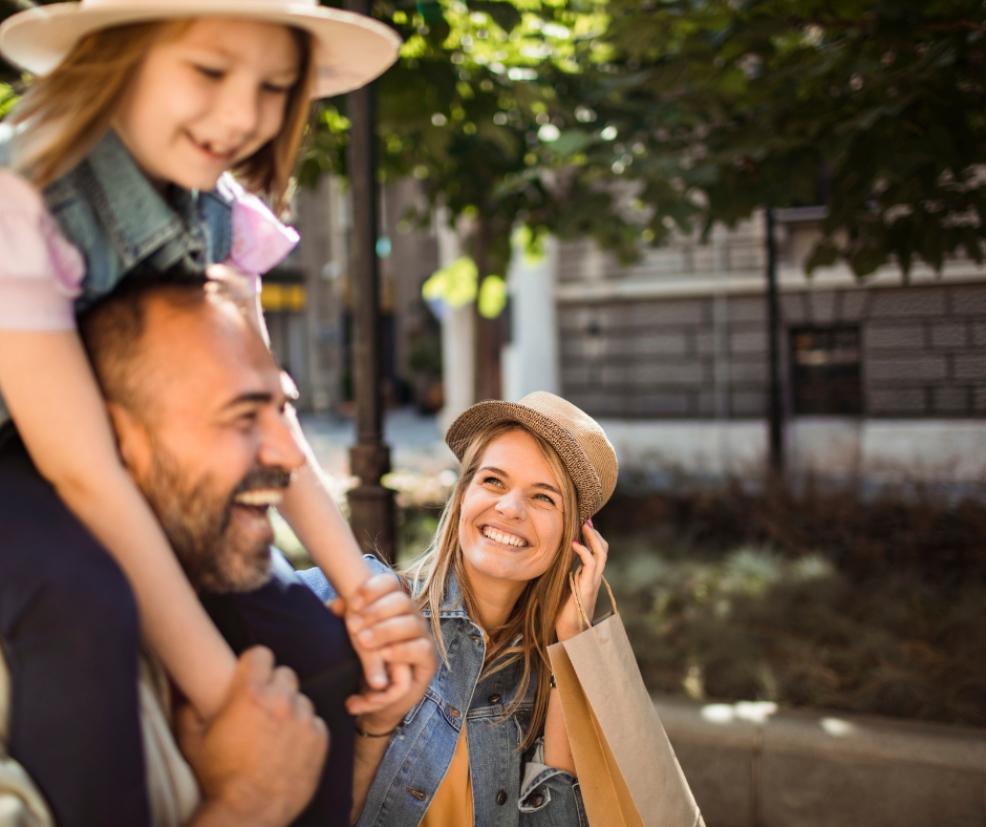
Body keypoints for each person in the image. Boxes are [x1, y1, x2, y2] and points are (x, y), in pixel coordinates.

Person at [0, 2, 407, 823]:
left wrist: (364, 592)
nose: (242, 114)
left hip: (128, 462)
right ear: (117, 52)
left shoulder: (216, 210)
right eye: (210, 71)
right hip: (32, 467)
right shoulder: (19, 199)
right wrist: (229, 701)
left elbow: (263, 414)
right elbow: (84, 470)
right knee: (81, 601)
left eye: (274, 86)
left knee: (314, 644)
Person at [0, 278, 436, 826]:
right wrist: (244, 808)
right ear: (113, 439)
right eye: (243, 416)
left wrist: (375, 730)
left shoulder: (262, 624)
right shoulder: (41, 634)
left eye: (283, 410)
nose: (288, 455)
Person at [304, 391, 619, 826]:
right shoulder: (365, 600)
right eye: (493, 481)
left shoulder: (543, 679)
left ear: (574, 538)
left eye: (543, 497)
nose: (509, 508)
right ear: (463, 496)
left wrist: (568, 648)